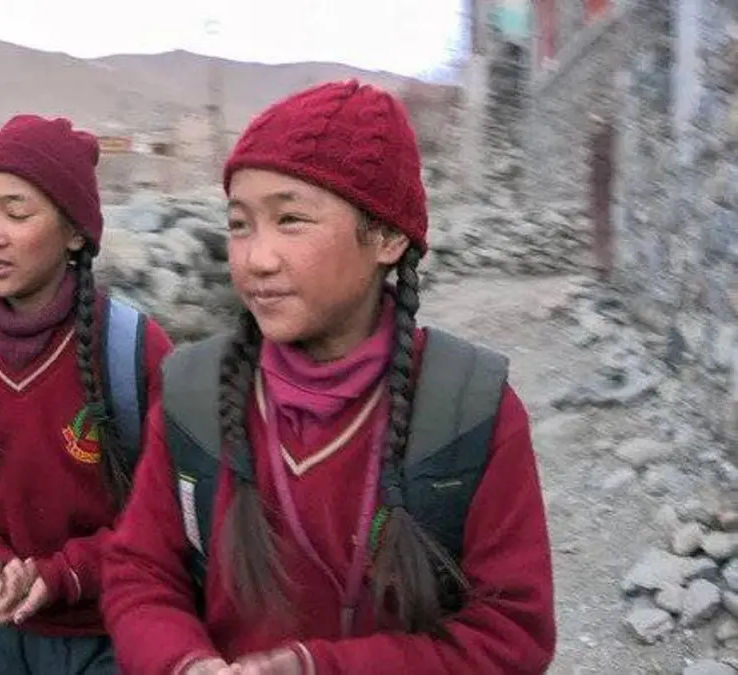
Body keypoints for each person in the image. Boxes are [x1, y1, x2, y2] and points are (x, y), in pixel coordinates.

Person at [101, 80, 556, 674]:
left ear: (388, 236)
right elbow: (139, 573)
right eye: (240, 225)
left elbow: (511, 634)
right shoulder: (194, 393)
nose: (255, 259)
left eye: (290, 220)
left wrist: (319, 668)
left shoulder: (470, 409)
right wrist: (183, 663)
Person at [0, 114, 174, 675]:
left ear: (74, 232)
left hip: (107, 628)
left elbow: (165, 512)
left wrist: (65, 574)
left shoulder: (133, 352)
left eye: (17, 212)